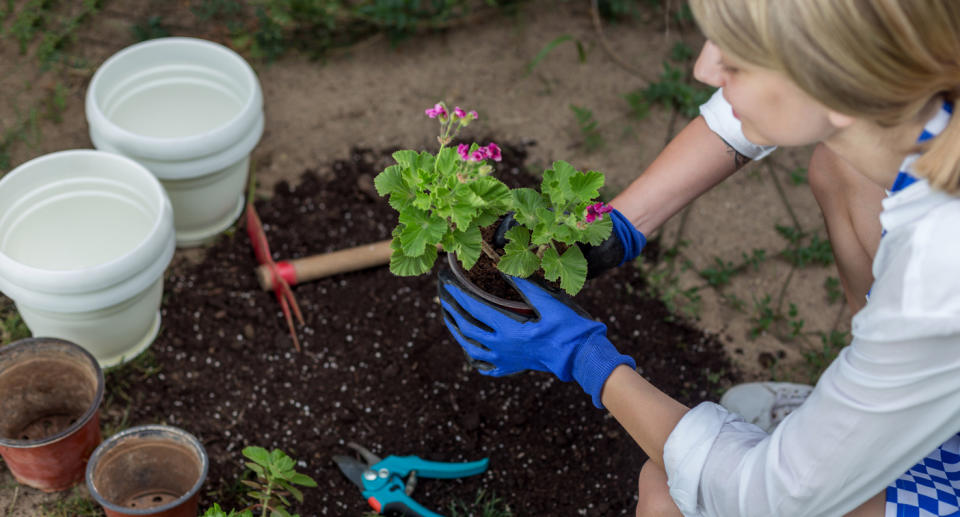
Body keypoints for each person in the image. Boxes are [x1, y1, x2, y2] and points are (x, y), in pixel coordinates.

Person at [437, 1, 960, 515]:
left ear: (841, 82)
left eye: (735, 58)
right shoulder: (917, 95)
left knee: (670, 494)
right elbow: (754, 113)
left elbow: (762, 497)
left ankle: (854, 429)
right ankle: (862, 411)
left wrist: (583, 357)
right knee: (845, 171)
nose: (703, 67)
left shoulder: (934, 279)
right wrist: (620, 226)